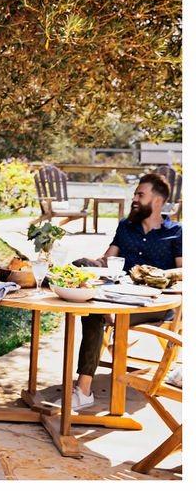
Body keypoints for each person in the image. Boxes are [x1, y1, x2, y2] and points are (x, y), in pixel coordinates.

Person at [60, 173, 182, 410]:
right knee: (80, 268)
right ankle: (84, 390)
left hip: (152, 304)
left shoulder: (176, 231)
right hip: (117, 295)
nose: (134, 199)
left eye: (140, 195)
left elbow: (184, 269)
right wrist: (92, 264)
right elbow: (108, 259)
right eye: (135, 194)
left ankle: (113, 322)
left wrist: (157, 275)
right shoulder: (126, 227)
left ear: (157, 201)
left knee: (98, 312)